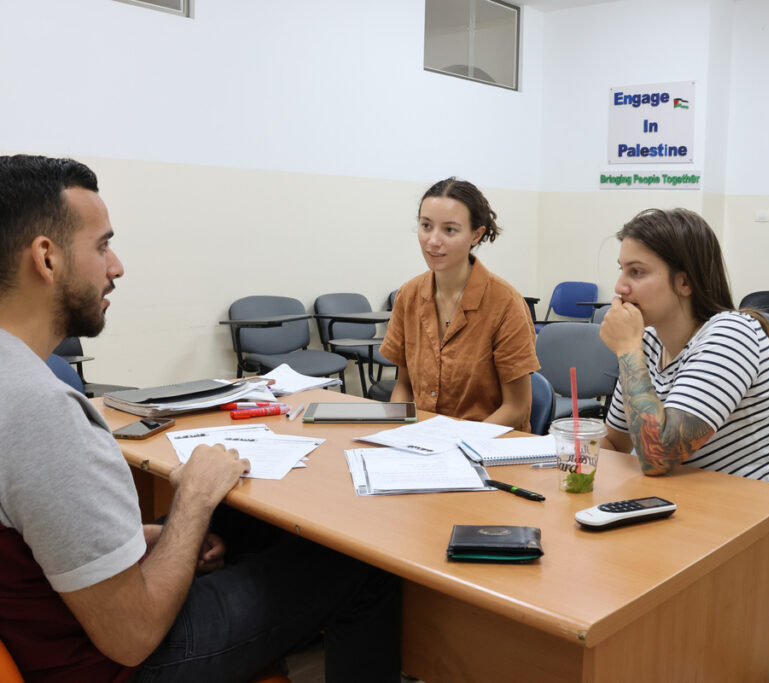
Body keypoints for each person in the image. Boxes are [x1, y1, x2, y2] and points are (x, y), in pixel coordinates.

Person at [0, 155, 401, 682]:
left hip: (57, 621)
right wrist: (192, 498)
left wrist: (160, 534)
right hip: (123, 663)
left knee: (241, 529)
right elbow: (132, 637)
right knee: (360, 568)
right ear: (46, 258)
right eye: (101, 246)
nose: (116, 267)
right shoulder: (41, 410)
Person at [598, 207, 769, 603]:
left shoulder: (732, 333)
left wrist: (627, 351)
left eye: (637, 272)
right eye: (621, 270)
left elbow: (657, 456)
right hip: (688, 518)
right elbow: (616, 444)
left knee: (628, 579)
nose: (620, 287)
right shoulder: (648, 342)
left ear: (684, 281)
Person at [381, 177, 539, 432]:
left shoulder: (505, 303)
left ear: (476, 235)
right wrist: (396, 431)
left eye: (450, 230)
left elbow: (517, 407)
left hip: (487, 444)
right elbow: (404, 385)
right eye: (426, 226)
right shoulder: (408, 295)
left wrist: (461, 443)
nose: (433, 240)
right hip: (423, 441)